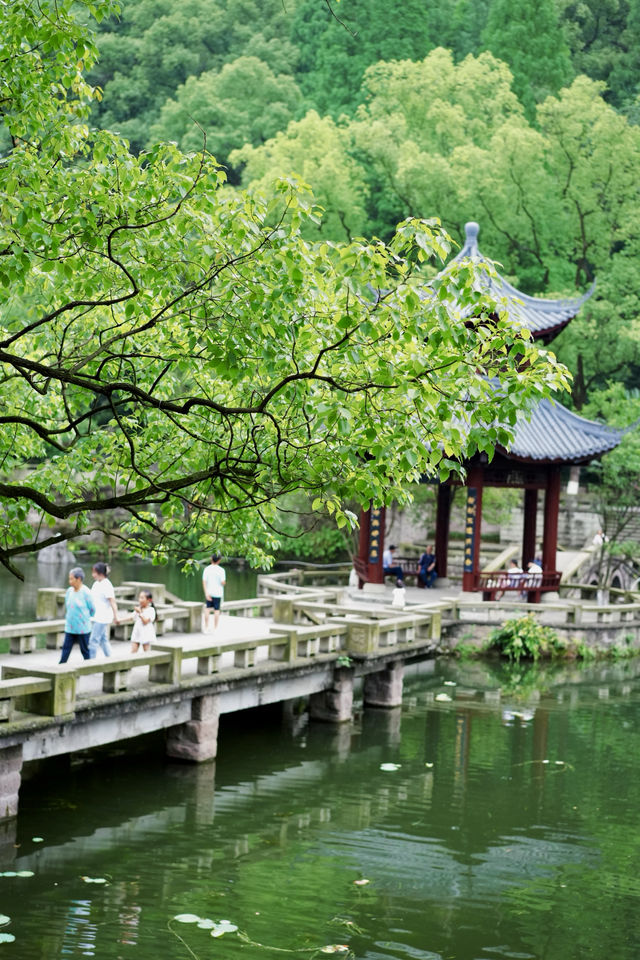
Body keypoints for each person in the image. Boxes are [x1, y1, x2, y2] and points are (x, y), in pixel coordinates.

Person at [59, 567, 95, 663]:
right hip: (70, 627)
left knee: (85, 650)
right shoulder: (69, 591)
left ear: (78, 579)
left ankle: (88, 667)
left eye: (71, 579)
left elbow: (92, 609)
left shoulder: (86, 592)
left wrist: (85, 618)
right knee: (66, 649)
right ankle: (60, 667)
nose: (69, 581)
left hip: (83, 627)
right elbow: (68, 606)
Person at [88, 562, 119, 658]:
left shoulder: (107, 585)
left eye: (94, 572)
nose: (93, 575)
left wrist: (116, 617)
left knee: (93, 641)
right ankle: (111, 660)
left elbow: (112, 602)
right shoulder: (96, 584)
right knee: (103, 640)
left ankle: (90, 664)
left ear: (100, 573)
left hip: (102, 618)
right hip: (96, 616)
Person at [202, 553, 226, 631]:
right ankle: (215, 628)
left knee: (207, 609)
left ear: (211, 559)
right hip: (218, 593)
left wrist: (206, 593)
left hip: (209, 592)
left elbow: (204, 581)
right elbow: (223, 582)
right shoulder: (221, 570)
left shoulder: (207, 569)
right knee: (216, 610)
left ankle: (206, 626)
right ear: (219, 560)